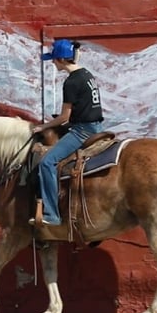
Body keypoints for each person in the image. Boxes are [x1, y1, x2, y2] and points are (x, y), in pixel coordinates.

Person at [30, 39, 103, 226]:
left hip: (82, 131)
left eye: (54, 60)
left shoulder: (71, 82)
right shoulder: (86, 74)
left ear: (61, 59)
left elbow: (64, 117)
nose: (53, 63)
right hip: (96, 127)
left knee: (46, 163)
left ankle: (51, 215)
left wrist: (43, 127)